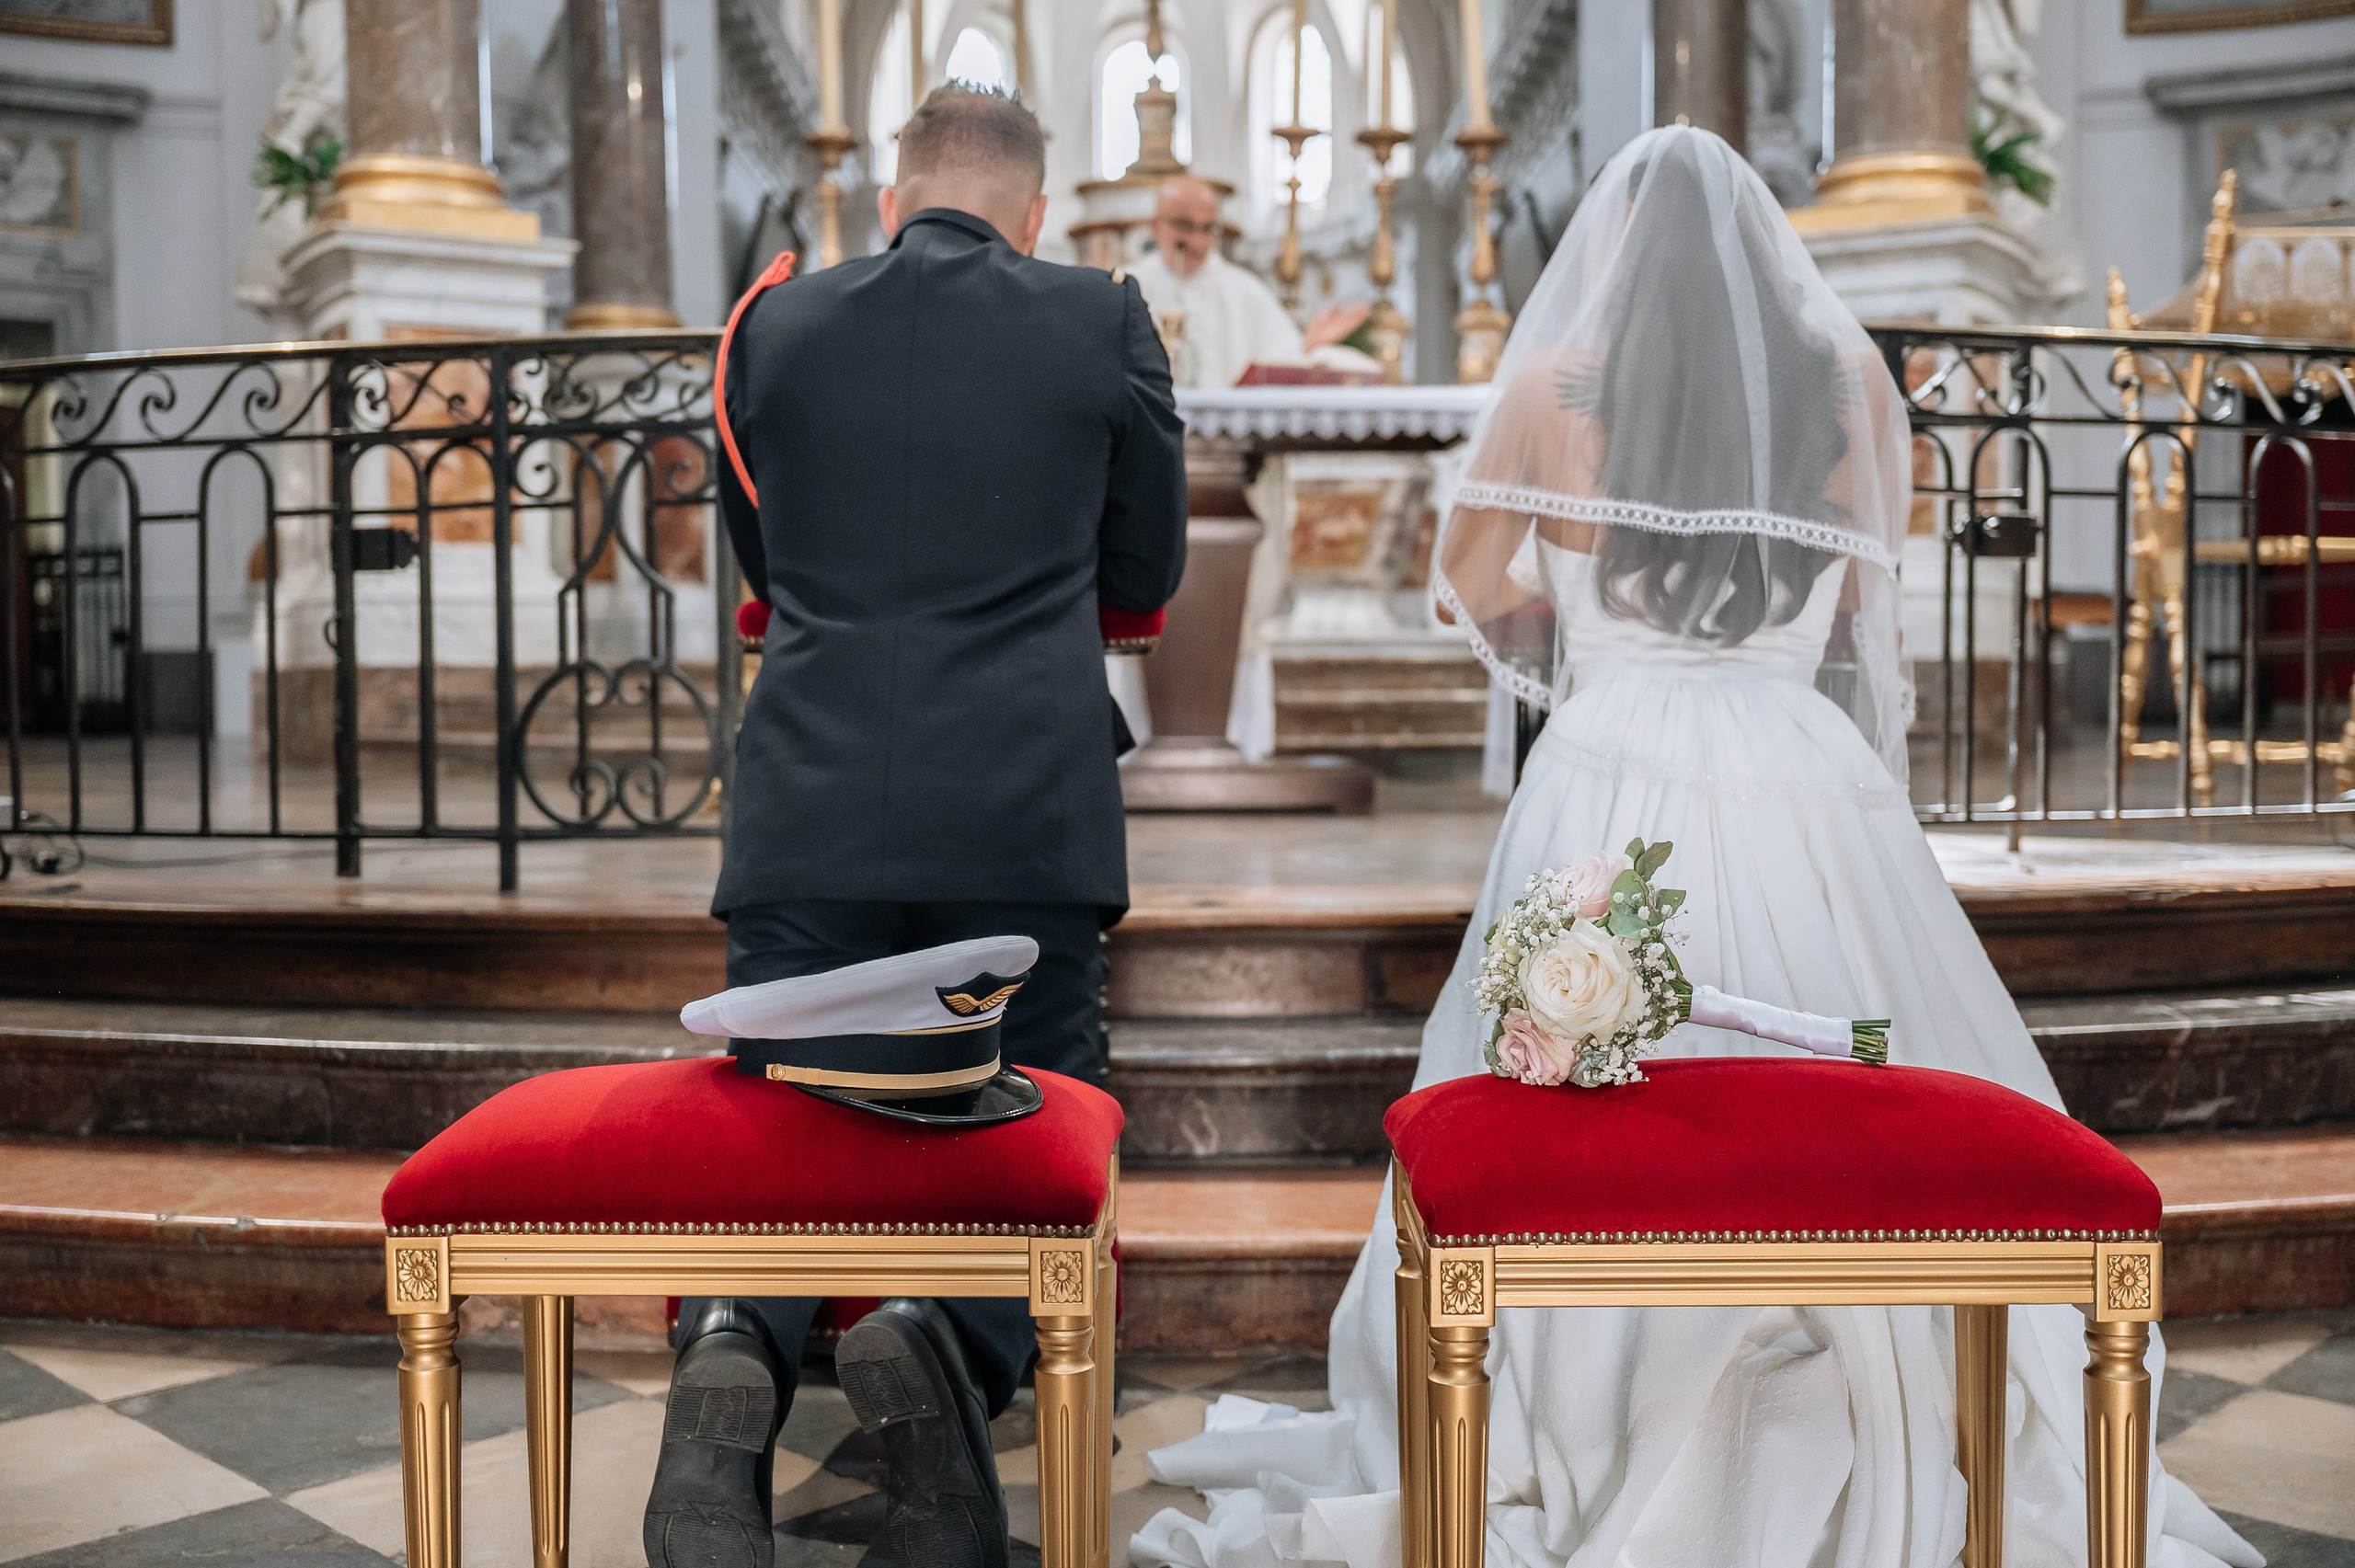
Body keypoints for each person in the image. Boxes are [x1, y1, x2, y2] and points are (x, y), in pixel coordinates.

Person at [1132, 127, 2260, 1568]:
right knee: (1845, 1109)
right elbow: (1861, 603)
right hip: (1804, 772)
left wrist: (1586, 594)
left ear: (1608, 258)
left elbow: (1463, 593)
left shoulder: (1553, 389)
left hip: (1611, 772)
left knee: (1604, 1117)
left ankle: (1576, 1415)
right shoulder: (1846, 379)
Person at [647, 85, 1188, 1568]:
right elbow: (1147, 566)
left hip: (809, 789)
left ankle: (732, 1338)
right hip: (1020, 794)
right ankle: (941, 1342)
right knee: (1039, 1108)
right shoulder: (1102, 315)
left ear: (888, 198)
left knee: (775, 1109)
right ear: (1034, 207)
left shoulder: (774, 321)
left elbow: (765, 565)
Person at [1131, 174, 1374, 389]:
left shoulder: (1244, 290)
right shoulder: (1127, 289)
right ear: (1155, 226)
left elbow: (1279, 359)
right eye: (1185, 226)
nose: (1198, 242)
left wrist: (1307, 346)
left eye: (1207, 228)